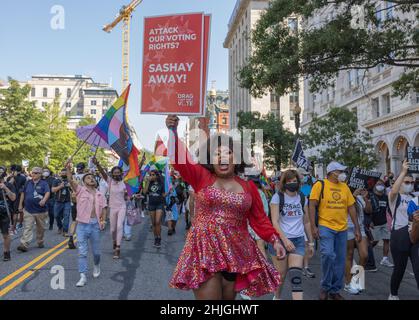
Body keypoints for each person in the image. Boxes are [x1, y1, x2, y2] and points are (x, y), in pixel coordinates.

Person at [166, 115, 286, 300]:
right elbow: (180, 160)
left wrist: (275, 240)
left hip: (236, 253)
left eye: (227, 153)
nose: (222, 157)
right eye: (217, 153)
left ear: (236, 158)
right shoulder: (201, 177)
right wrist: (173, 132)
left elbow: (259, 219)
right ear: (211, 159)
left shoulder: (249, 187)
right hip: (205, 250)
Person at [309, 161, 361, 300]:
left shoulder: (344, 187)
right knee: (327, 255)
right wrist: (313, 227)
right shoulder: (320, 185)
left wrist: (357, 227)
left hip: (342, 228)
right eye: (340, 171)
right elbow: (312, 205)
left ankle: (335, 290)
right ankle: (325, 287)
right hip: (326, 226)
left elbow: (351, 207)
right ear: (332, 172)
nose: (343, 174)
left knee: (340, 260)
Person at [269, 169, 314, 300]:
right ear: (284, 183)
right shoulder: (278, 197)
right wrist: (285, 240)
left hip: (298, 241)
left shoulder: (302, 197)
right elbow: (275, 222)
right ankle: (277, 297)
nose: (292, 183)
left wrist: (310, 242)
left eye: (295, 181)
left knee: (296, 275)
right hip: (280, 241)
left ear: (299, 182)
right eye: (289, 181)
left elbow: (306, 221)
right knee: (281, 276)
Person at [65, 162, 107, 287]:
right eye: (88, 178)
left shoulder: (100, 194)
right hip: (82, 225)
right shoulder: (80, 190)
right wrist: (68, 168)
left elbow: (104, 208)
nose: (91, 179)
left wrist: (103, 220)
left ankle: (96, 265)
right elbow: (70, 179)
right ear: (83, 182)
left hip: (95, 225)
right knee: (82, 252)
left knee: (96, 253)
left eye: (93, 178)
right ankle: (82, 275)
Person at [388, 160, 419, 300]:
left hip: (415, 234)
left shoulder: (416, 197)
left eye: (412, 183)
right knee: (399, 269)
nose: (410, 185)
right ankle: (393, 293)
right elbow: (394, 190)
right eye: (407, 182)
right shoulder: (395, 197)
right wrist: (403, 172)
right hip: (399, 236)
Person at [94, 158, 127, 259]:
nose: (116, 174)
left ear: (121, 173)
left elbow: (136, 175)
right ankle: (114, 241)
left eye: (118, 172)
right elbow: (103, 173)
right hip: (112, 207)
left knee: (119, 227)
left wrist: (128, 195)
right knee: (112, 230)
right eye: (114, 173)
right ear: (112, 174)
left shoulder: (125, 182)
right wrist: (97, 164)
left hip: (122, 207)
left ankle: (117, 248)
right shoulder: (109, 181)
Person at [17, 167, 50, 252]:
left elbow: (47, 192)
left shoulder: (44, 183)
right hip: (28, 210)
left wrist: (43, 200)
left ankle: (40, 241)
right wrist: (20, 204)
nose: (33, 174)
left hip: (41, 211)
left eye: (36, 173)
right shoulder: (28, 183)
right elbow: (23, 193)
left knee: (41, 228)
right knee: (27, 227)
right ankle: (24, 244)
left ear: (40, 174)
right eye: (33, 172)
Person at [344, 188, 370, 295]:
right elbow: (343, 209)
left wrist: (365, 198)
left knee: (364, 255)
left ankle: (356, 280)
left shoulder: (360, 198)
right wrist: (353, 196)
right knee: (349, 255)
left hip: (360, 228)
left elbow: (369, 210)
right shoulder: (344, 195)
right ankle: (349, 284)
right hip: (346, 228)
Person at [368, 179, 394, 268]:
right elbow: (368, 210)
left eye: (382, 184)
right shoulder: (372, 196)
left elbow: (389, 209)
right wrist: (369, 221)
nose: (380, 186)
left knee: (387, 240)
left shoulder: (385, 197)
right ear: (375, 186)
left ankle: (385, 259)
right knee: (374, 241)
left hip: (384, 222)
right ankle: (367, 254)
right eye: (378, 184)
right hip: (374, 223)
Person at [297, 167, 316, 279]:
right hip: (287, 228)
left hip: (301, 224)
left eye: (305, 175)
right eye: (302, 175)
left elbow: (307, 217)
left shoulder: (306, 190)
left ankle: (305, 267)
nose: (304, 177)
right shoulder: (285, 191)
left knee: (306, 245)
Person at [145, 170, 166, 247]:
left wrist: (169, 192)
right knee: (154, 223)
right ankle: (156, 238)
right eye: (150, 174)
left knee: (157, 222)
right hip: (151, 204)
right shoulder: (149, 183)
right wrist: (147, 182)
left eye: (153, 174)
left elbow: (163, 195)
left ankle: (159, 238)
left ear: (157, 176)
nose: (151, 176)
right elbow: (145, 192)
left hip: (159, 204)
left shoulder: (161, 184)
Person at [0, 173, 16, 261]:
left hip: (5, 214)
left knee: (5, 235)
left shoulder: (9, 185)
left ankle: (6, 252)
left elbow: (13, 198)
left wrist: (5, 188)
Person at [52, 168, 72, 237]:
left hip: (67, 201)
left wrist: (70, 186)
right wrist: (60, 186)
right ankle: (60, 227)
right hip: (58, 201)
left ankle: (65, 231)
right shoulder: (56, 181)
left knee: (66, 216)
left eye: (65, 173)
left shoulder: (70, 180)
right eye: (62, 173)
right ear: (60, 173)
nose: (64, 174)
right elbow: (53, 190)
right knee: (56, 215)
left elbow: (75, 189)